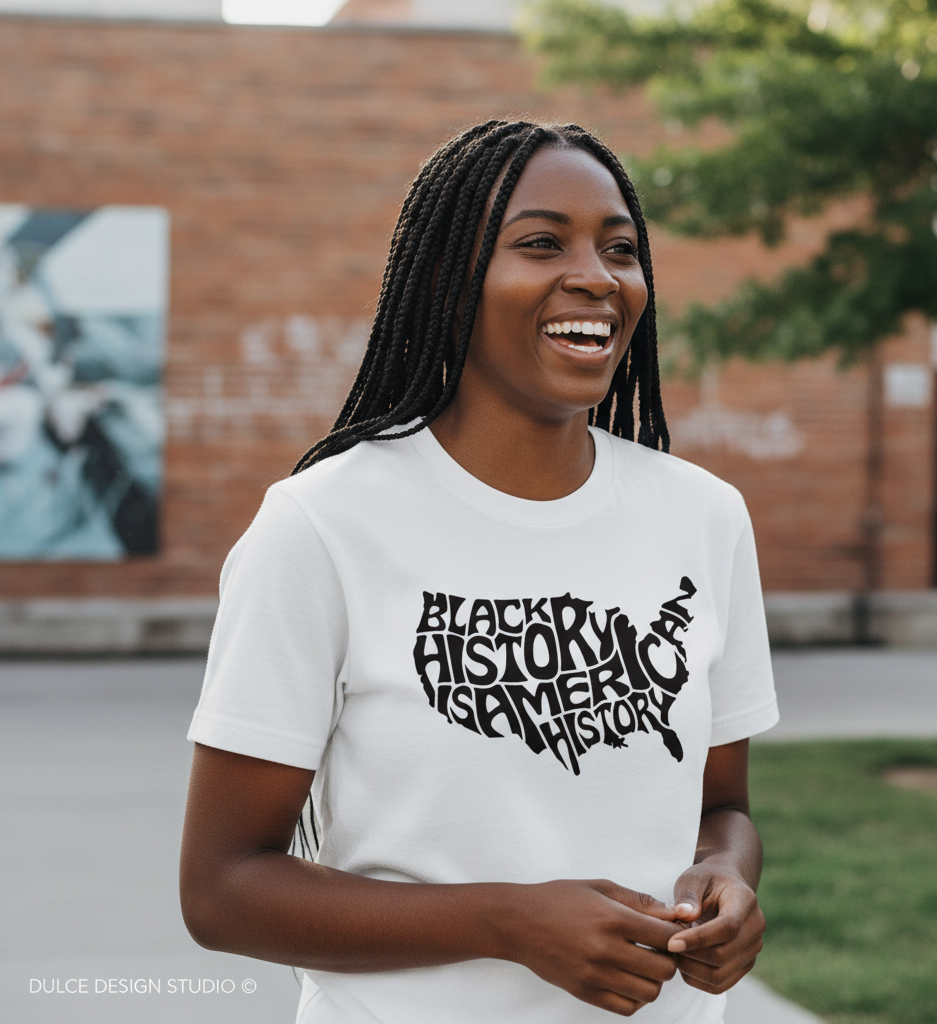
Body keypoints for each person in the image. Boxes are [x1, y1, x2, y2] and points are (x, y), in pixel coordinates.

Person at [180, 119, 779, 1024]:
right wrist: (506, 921)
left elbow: (722, 805)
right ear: (442, 279)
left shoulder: (704, 517)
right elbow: (222, 891)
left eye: (620, 248)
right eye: (541, 243)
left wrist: (725, 878)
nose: (596, 276)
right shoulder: (323, 527)